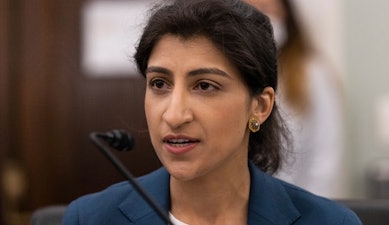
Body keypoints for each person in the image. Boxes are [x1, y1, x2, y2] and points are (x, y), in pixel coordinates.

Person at [62, 0, 361, 224]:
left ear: (260, 106)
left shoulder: (331, 222)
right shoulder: (89, 218)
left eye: (204, 86)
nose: (174, 115)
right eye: (159, 83)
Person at [244, 0, 348, 198]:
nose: (259, 19)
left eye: (267, 10)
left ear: (288, 16)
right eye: (250, 9)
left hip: (297, 204)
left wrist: (309, 210)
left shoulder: (312, 74)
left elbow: (325, 155)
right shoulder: (229, 76)